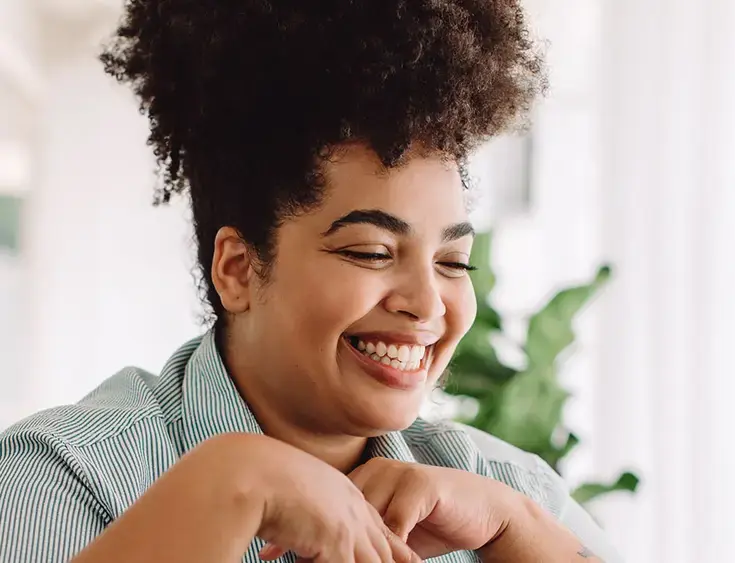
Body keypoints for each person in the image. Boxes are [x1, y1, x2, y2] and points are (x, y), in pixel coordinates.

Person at [0, 1, 623, 562]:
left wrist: (517, 529)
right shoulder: (64, 475)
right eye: (372, 252)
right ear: (238, 269)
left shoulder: (507, 492)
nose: (428, 303)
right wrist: (229, 483)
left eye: (453, 262)